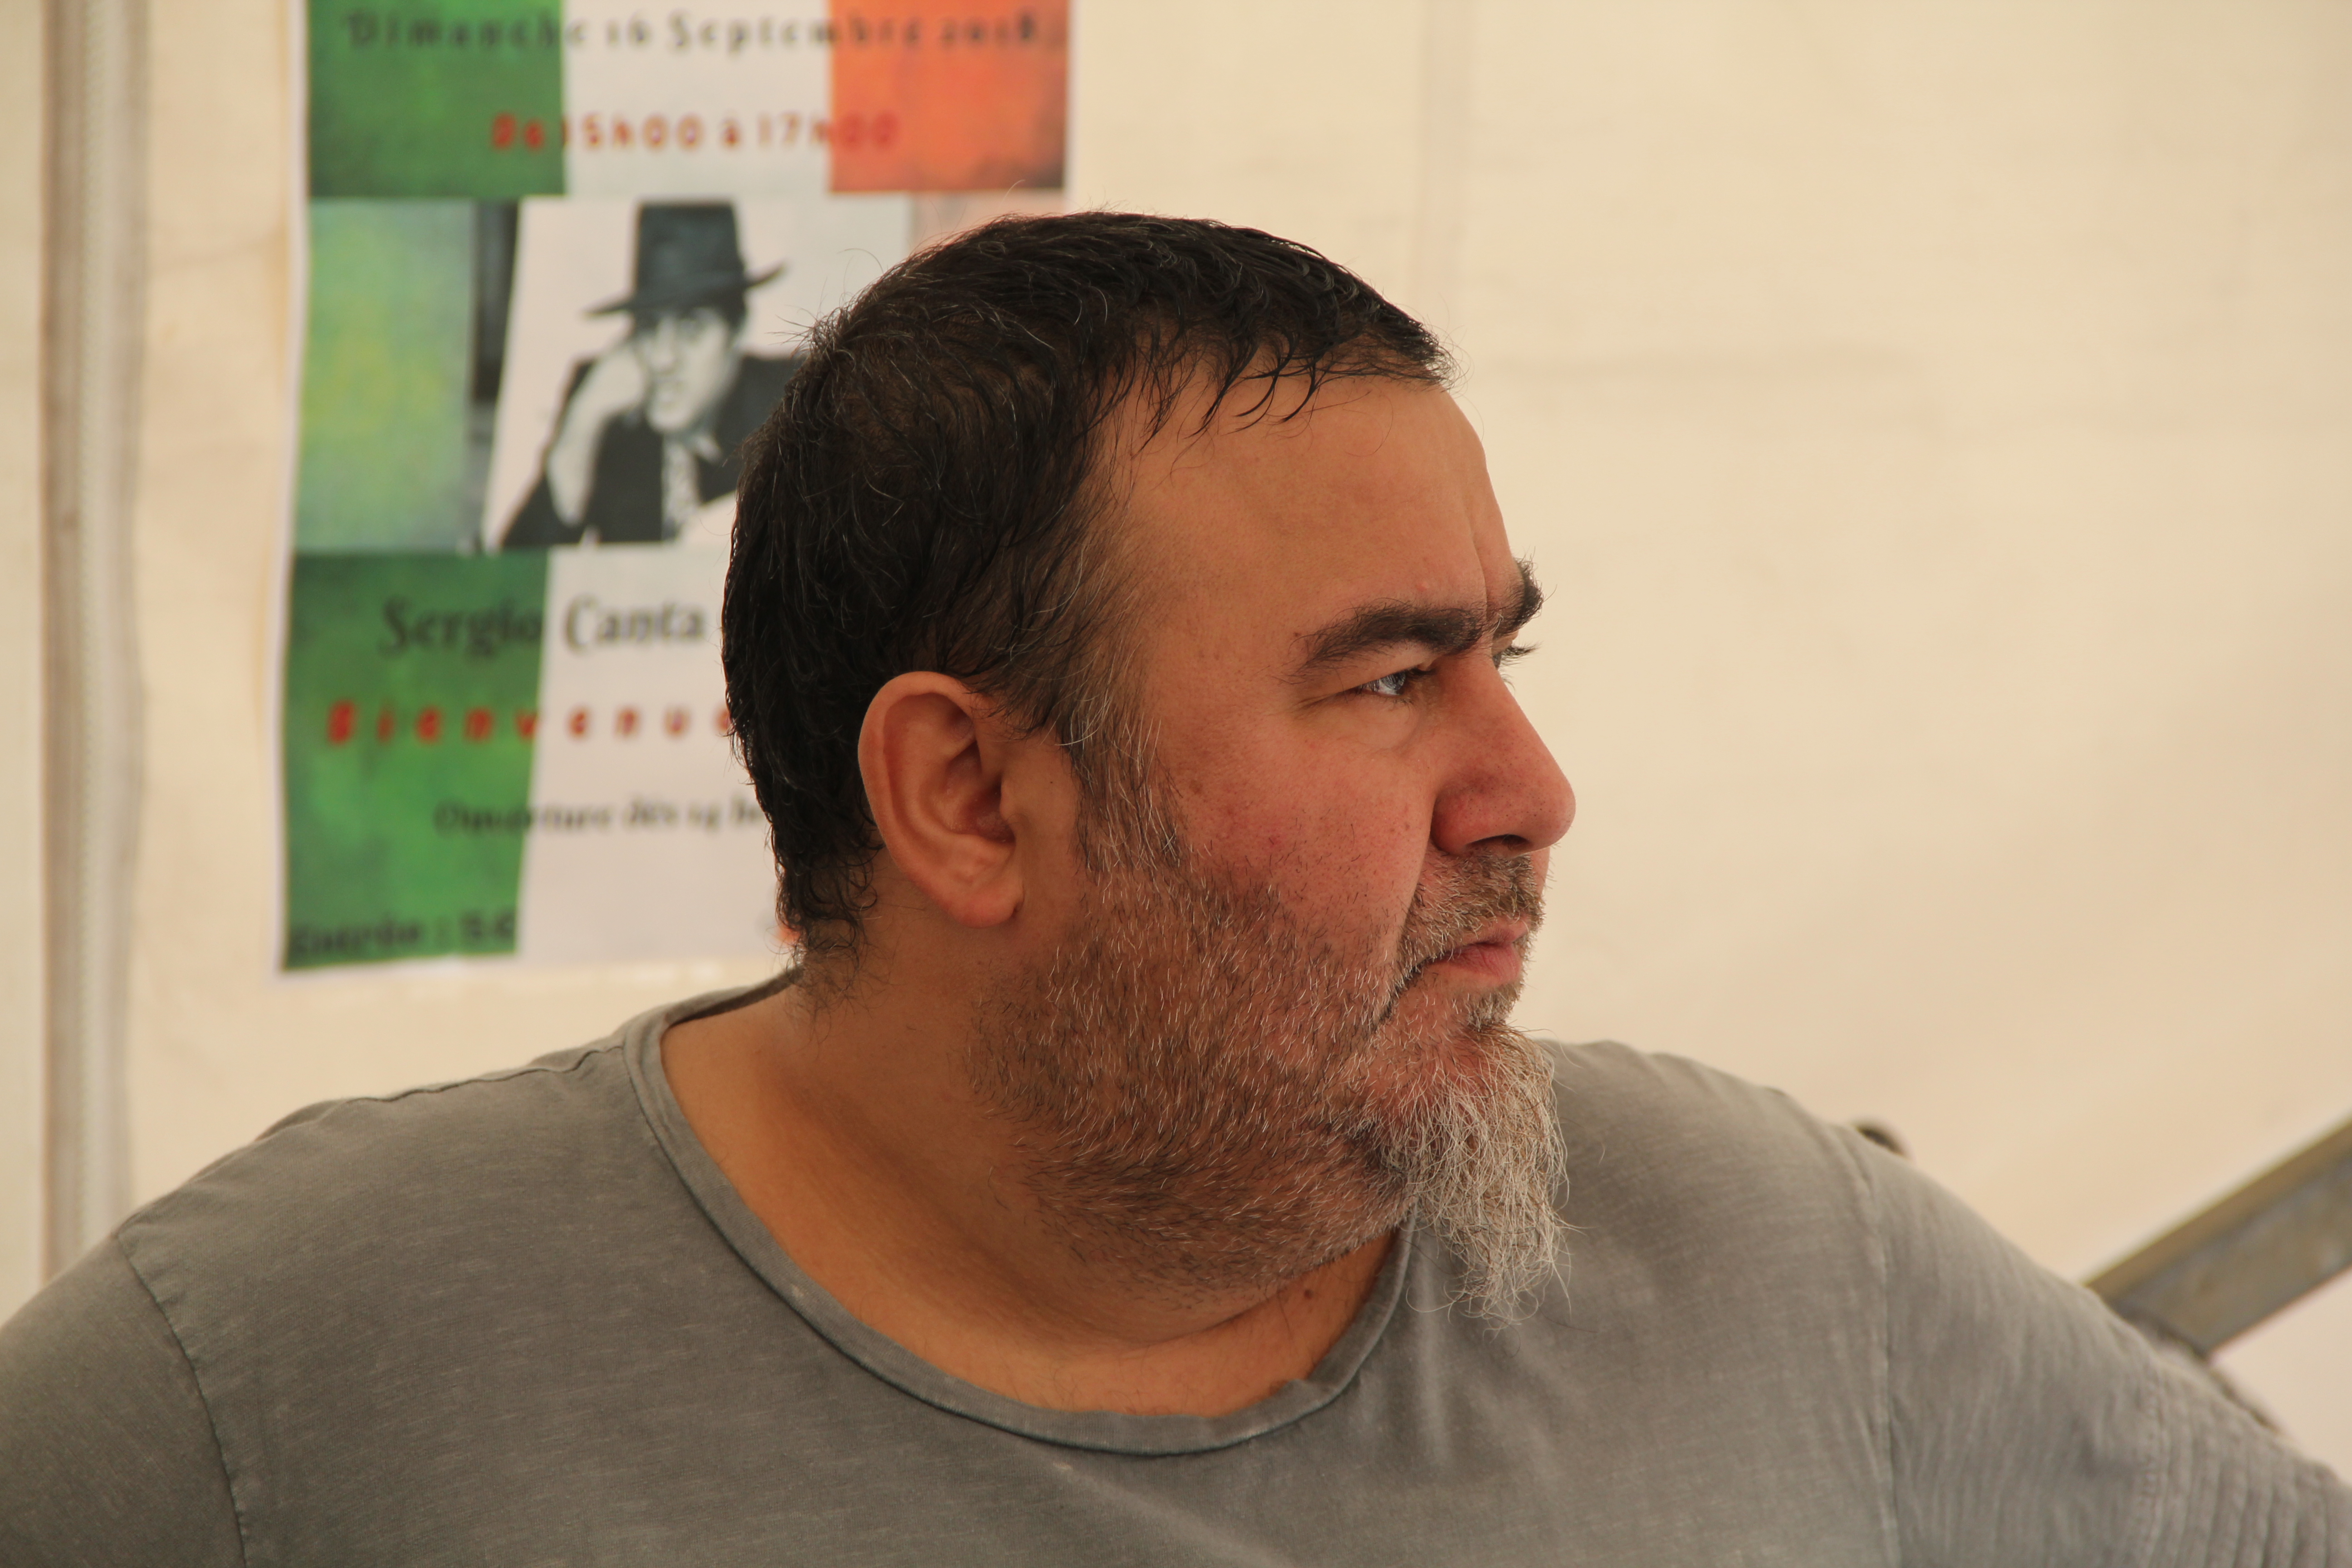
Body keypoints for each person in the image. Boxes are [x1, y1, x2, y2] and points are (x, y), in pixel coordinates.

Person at [3, 214, 2346, 1563]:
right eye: (1388, 681)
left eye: (1503, 656)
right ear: (966, 797)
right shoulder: (283, 1387)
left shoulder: (1777, 1262)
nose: (1528, 788)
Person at [498, 201, 799, 548]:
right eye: (648, 327)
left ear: (737, 330)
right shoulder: (603, 401)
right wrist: (582, 425)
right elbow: (513, 572)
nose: (661, 359)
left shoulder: (791, 405)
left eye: (691, 328)